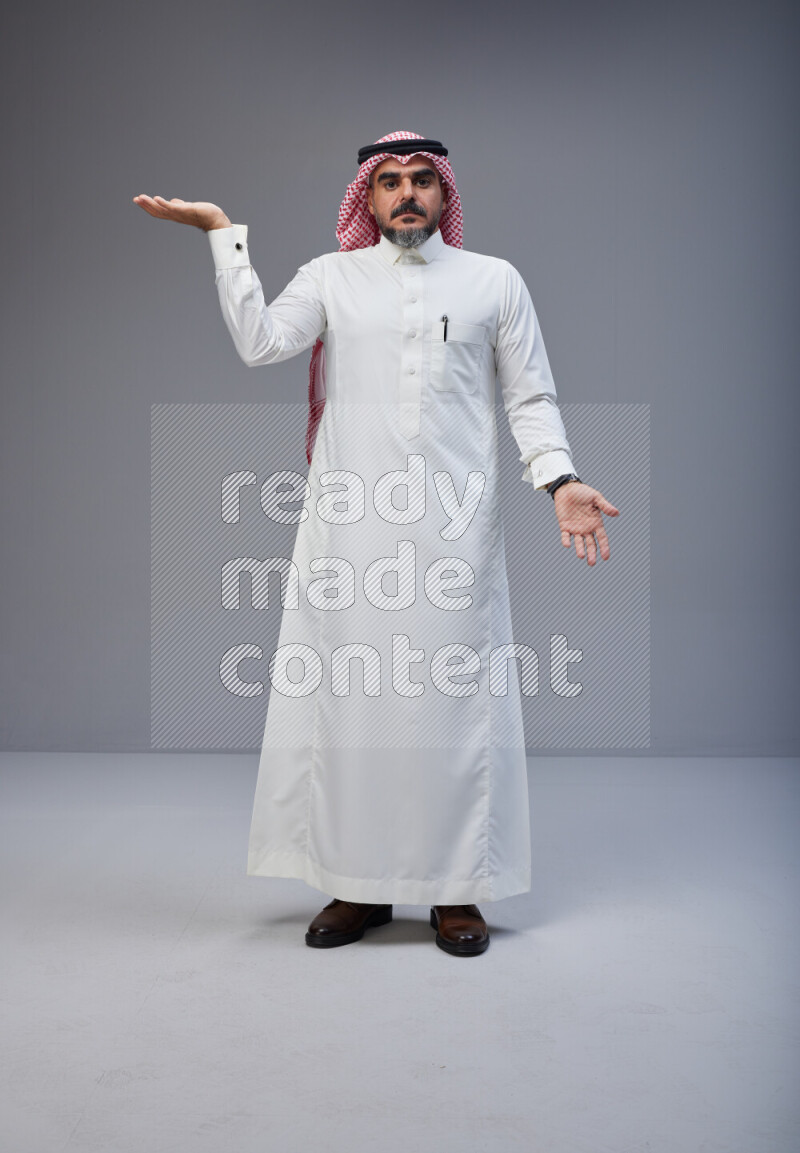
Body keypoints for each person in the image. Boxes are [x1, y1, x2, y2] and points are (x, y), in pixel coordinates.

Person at [133, 130, 619, 958]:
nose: (406, 194)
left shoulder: (493, 282)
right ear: (365, 196)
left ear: (443, 193)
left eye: (422, 180)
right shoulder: (331, 277)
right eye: (389, 181)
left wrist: (560, 479)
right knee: (351, 706)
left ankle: (456, 889)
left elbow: (530, 395)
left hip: (456, 528)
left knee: (453, 706)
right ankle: (355, 883)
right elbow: (261, 343)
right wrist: (223, 234)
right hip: (347, 529)